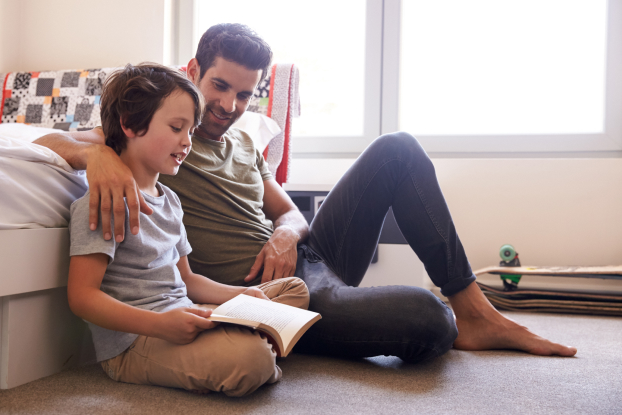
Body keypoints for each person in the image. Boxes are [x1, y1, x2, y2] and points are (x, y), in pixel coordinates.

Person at [38, 24, 577, 362]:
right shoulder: (161, 139)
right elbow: (45, 140)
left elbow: (292, 211)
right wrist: (98, 155)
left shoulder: (246, 143)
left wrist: (285, 233)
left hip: (306, 259)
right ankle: (446, 320)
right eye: (219, 86)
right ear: (194, 72)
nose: (228, 105)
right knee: (426, 320)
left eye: (244, 94)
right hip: (262, 288)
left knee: (397, 147)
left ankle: (477, 312)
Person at [66, 62, 310, 397]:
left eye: (190, 131)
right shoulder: (104, 201)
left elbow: (189, 280)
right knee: (250, 360)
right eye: (176, 128)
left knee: (294, 290)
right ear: (129, 125)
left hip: (182, 314)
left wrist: (241, 295)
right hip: (137, 339)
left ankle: (249, 344)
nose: (187, 142)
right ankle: (255, 353)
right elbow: (82, 298)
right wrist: (161, 325)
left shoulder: (171, 201)